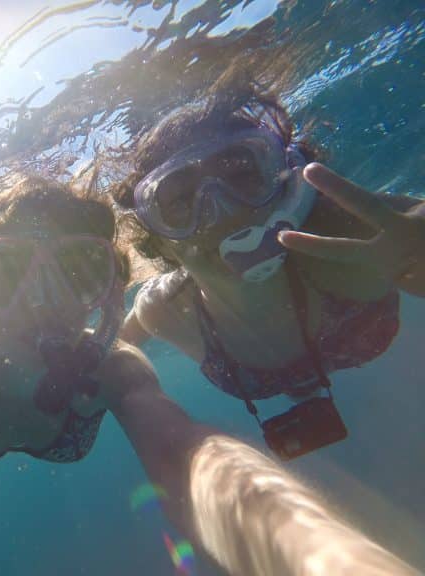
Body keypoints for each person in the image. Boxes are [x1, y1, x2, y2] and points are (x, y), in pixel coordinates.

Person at [0, 176, 419, 576]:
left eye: (77, 270)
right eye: (7, 271)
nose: (44, 301)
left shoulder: (115, 368)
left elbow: (190, 458)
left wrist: (322, 557)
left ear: (111, 289)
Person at [114, 89, 425, 460]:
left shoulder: (346, 239)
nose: (227, 213)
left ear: (287, 187)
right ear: (160, 244)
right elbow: (114, 345)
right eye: (181, 201)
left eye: (243, 175)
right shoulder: (165, 309)